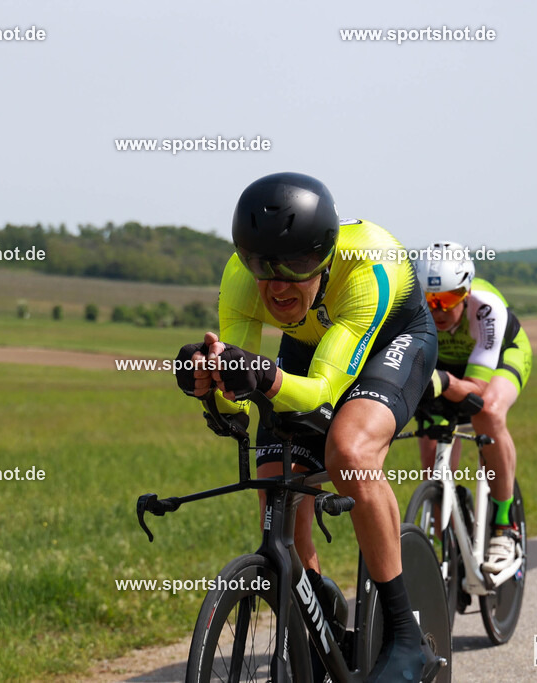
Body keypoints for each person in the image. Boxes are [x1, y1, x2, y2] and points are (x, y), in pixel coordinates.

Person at [175, 172, 440, 682]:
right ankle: (316, 609)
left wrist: (265, 376)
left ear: (323, 256)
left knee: (349, 452)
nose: (277, 286)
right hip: (317, 341)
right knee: (274, 469)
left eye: (295, 267)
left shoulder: (367, 267)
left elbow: (321, 391)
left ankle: (407, 636)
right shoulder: (239, 279)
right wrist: (215, 388)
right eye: (262, 266)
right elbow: (243, 405)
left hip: (389, 339)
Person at [412, 242, 533, 574]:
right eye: (428, 300)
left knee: (488, 411)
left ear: (465, 292)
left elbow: (477, 391)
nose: (437, 310)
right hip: (448, 364)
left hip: (503, 356)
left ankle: (505, 527)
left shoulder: (486, 307)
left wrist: (444, 384)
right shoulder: (408, 306)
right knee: (432, 436)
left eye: (447, 300)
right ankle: (444, 539)